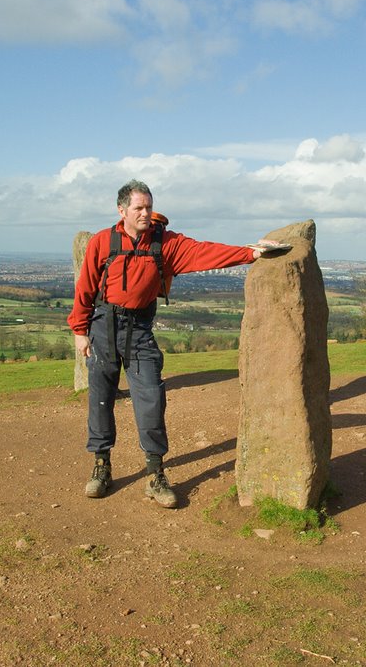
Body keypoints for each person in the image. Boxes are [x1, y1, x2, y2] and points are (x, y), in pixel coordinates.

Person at [68, 180, 262, 508]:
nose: (145, 213)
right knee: (100, 397)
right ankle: (102, 465)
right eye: (138, 208)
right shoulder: (103, 242)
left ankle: (155, 473)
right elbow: (86, 287)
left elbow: (205, 252)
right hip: (102, 326)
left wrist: (251, 253)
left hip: (139, 328)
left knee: (151, 398)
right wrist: (79, 330)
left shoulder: (165, 244)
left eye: (148, 207)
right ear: (122, 211)